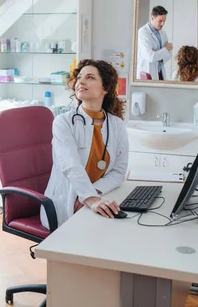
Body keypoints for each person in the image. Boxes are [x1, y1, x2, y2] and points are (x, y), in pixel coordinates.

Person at [40, 59, 130, 230]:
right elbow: (71, 165)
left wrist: (92, 193)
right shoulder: (63, 122)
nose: (81, 81)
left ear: (106, 88)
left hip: (97, 196)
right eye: (79, 77)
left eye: (90, 77)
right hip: (67, 201)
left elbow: (119, 172)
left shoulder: (117, 125)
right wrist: (89, 199)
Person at [136, 5, 173, 80]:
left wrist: (157, 54)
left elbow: (169, 54)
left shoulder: (163, 32)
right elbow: (150, 57)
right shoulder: (143, 32)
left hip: (160, 72)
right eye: (160, 21)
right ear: (152, 17)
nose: (162, 24)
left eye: (164, 21)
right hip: (148, 72)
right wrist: (165, 49)